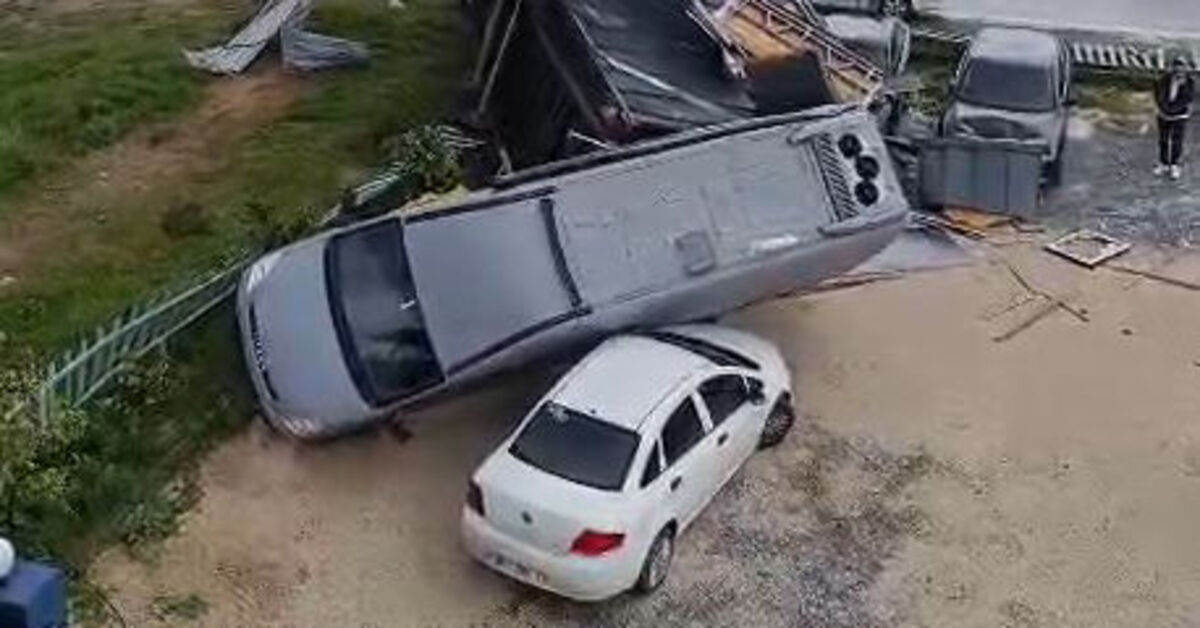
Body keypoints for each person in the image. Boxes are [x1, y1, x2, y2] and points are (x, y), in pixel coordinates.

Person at [1154, 55, 1195, 180]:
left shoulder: (1189, 82)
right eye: (1176, 66)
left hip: (1179, 116)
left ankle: (1175, 165)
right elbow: (1158, 94)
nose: (1179, 69)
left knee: (1177, 141)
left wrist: (1173, 110)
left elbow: (1187, 99)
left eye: (1181, 66)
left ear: (1185, 68)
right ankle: (1164, 163)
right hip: (1163, 114)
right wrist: (1163, 108)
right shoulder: (1164, 79)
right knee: (1163, 140)